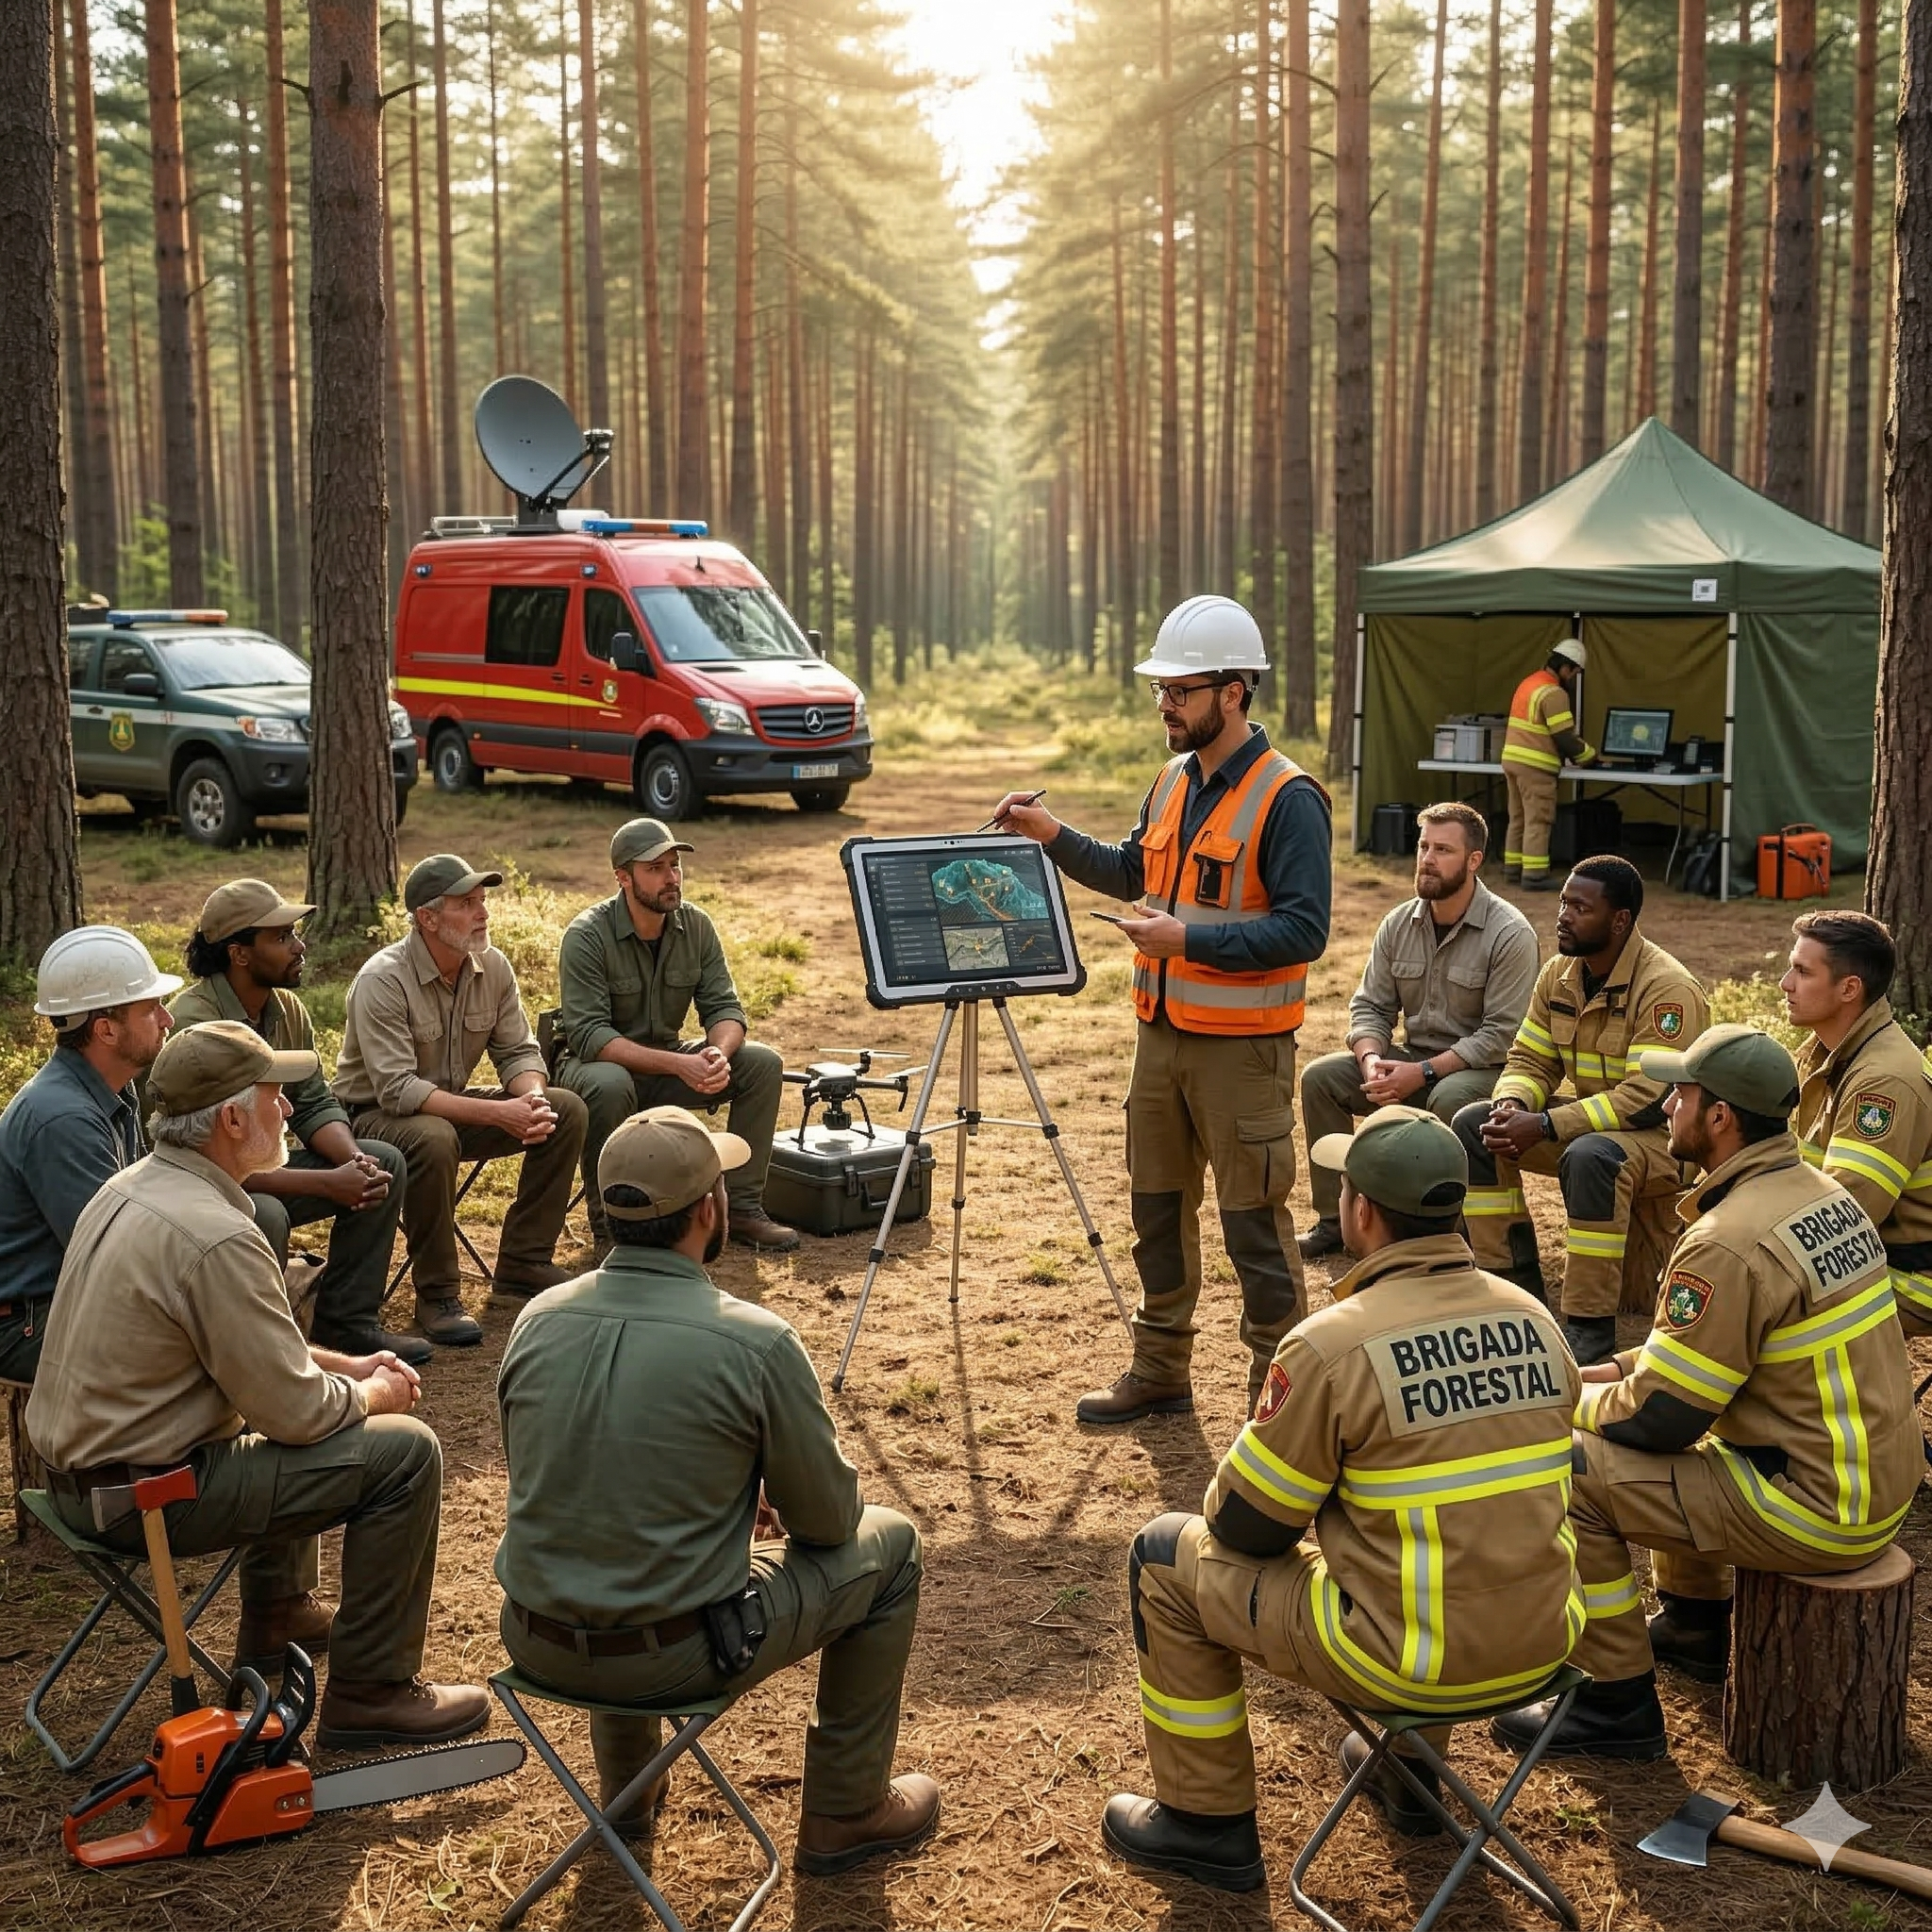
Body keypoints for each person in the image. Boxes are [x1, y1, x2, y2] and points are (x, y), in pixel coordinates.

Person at [1101, 1108, 1582, 1891]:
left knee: (1163, 1553)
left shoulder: (1332, 1344)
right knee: (1436, 1550)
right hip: (1544, 1645)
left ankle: (1204, 1821)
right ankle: (1414, 1777)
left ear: (1360, 1209)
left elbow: (1245, 1527)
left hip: (1407, 1664)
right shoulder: (1533, 1316)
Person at [495, 1108, 938, 1872]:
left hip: (535, 1637)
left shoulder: (537, 1319)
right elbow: (830, 1523)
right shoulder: (756, 1339)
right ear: (709, 1210)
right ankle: (847, 1809)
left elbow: (569, 1479)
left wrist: (717, 1485)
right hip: (673, 1656)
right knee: (891, 1547)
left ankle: (627, 1797)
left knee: (609, 1543)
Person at [25, 1022, 488, 1739]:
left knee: (296, 1420)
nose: (290, 1111)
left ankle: (280, 1616)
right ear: (232, 1118)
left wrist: (349, 1364)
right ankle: (372, 1692)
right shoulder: (214, 1233)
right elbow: (296, 1412)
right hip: (143, 1496)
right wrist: (376, 1393)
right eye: (277, 1096)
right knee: (405, 1452)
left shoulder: (135, 1188)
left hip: (85, 1479)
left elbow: (246, 1353)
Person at [1495, 1026, 1918, 1760]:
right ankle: (1694, 1623)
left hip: (1817, 1507)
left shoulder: (1727, 1238)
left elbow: (1663, 1417)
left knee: (1569, 1472)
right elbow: (1708, 1356)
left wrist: (1566, 1407)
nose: (1666, 1104)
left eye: (1681, 1093)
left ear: (1720, 1117)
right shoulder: (1818, 1191)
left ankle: (1614, 1701)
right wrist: (1615, 1370)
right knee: (1660, 1431)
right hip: (1867, 1480)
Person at [993, 595, 1332, 1423]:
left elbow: (1305, 930)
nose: (1166, 706)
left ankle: (1278, 1396)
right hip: (1161, 1039)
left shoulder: (1290, 798)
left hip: (1243, 1052)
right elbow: (1129, 868)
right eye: (1161, 691)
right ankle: (1160, 1368)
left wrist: (1190, 944)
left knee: (1253, 1226)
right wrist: (1051, 834)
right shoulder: (1172, 780)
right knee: (1156, 1209)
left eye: (1181, 691)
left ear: (1234, 692)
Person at [1453, 856, 1707, 1365]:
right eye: (1563, 902)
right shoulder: (1560, 974)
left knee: (1593, 1156)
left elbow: (1650, 1098)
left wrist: (1546, 1123)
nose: (1563, 916)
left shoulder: (1666, 990)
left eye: (1580, 907)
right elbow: (1529, 1058)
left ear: (1620, 921)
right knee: (1475, 1124)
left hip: (1669, 1140)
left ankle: (1589, 1327)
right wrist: (1511, 1105)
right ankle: (1513, 1287)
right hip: (1594, 1126)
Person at [333, 854, 590, 1347]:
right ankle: (438, 1294)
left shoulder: (491, 967)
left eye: (483, 901)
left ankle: (524, 1261)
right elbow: (397, 1090)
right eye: (467, 904)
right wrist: (500, 1113)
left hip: (449, 1107)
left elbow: (518, 1051)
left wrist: (532, 1101)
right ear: (427, 918)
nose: (483, 914)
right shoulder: (381, 979)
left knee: (565, 1108)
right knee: (432, 1137)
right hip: (371, 1119)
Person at [172, 881, 421, 1365]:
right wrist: (329, 1184)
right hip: (202, 1182)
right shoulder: (197, 1027)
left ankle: (346, 1323)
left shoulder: (286, 1009)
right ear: (239, 954)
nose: (299, 946)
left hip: (263, 1161)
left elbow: (310, 1103)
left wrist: (354, 1161)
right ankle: (264, 1349)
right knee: (264, 1212)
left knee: (381, 1163)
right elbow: (212, 1155)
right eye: (282, 937)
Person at [1298, 803, 1538, 1260]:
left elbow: (1500, 1036)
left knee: (1449, 1099)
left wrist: (1422, 1073)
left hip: (1488, 1071)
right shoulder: (1398, 922)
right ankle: (1337, 1221)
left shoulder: (1509, 934)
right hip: (1415, 1059)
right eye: (1423, 846)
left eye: (1443, 849)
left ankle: (1446, 1232)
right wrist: (1371, 1061)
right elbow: (1370, 1006)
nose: (1427, 858)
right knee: (1321, 1078)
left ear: (1473, 860)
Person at [554, 818, 797, 1257]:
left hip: (666, 1062)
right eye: (656, 868)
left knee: (761, 1063)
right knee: (611, 1084)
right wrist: (680, 1064)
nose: (672, 878)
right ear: (623, 878)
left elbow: (724, 1008)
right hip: (592, 1067)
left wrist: (717, 1056)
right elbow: (590, 1035)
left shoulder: (695, 926)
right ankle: (611, 1226)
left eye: (675, 865)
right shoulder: (587, 935)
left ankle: (739, 1209)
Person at [0, 926, 179, 1382]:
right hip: (30, 1322)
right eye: (151, 1008)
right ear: (105, 1030)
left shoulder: (107, 1088)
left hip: (72, 1296)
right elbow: (117, 1256)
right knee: (195, 1351)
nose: (167, 1019)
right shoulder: (62, 1118)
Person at [1781, 910, 1932, 1337]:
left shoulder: (1884, 1082)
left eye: (1802, 972)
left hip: (1911, 1277)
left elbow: (1843, 1219)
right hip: (1870, 1256)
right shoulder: (1831, 1051)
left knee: (1761, 1297)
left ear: (1849, 989)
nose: (1785, 984)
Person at [1500, 639, 1591, 890]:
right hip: (1535, 765)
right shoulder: (1554, 693)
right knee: (1538, 820)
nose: (1573, 678)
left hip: (1512, 760)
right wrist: (1588, 756)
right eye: (1575, 672)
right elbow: (1564, 736)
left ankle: (1513, 869)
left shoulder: (1528, 683)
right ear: (1566, 667)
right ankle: (1535, 875)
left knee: (1517, 818)